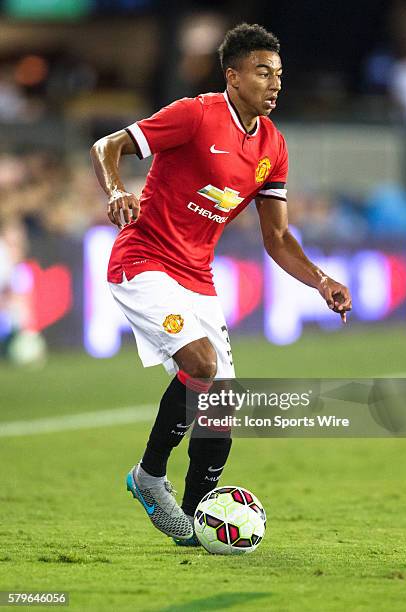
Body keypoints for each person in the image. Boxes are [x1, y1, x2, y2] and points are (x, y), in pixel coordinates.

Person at [90, 23, 352, 545]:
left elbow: (277, 238)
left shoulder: (273, 147)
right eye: (262, 72)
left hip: (197, 278)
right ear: (232, 76)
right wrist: (118, 192)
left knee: (221, 407)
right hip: (143, 261)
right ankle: (149, 476)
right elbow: (107, 145)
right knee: (202, 365)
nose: (274, 84)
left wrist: (321, 280)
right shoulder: (195, 114)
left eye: (278, 74)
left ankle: (192, 523)